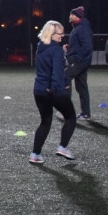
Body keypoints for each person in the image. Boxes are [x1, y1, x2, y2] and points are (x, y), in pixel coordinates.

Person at [30, 20, 78, 163]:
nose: (62, 36)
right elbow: (56, 72)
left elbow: (45, 68)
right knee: (71, 117)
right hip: (52, 91)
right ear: (51, 34)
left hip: (39, 90)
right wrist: (57, 87)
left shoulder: (40, 47)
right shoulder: (56, 49)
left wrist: (63, 83)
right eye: (60, 33)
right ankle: (63, 147)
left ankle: (35, 154)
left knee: (45, 122)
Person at [66, 6, 93, 120]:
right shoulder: (79, 27)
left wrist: (76, 58)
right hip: (82, 61)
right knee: (81, 86)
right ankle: (85, 113)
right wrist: (70, 48)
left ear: (78, 17)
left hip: (80, 61)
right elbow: (80, 45)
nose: (70, 16)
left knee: (65, 77)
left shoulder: (82, 28)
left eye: (72, 14)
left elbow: (87, 47)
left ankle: (66, 111)